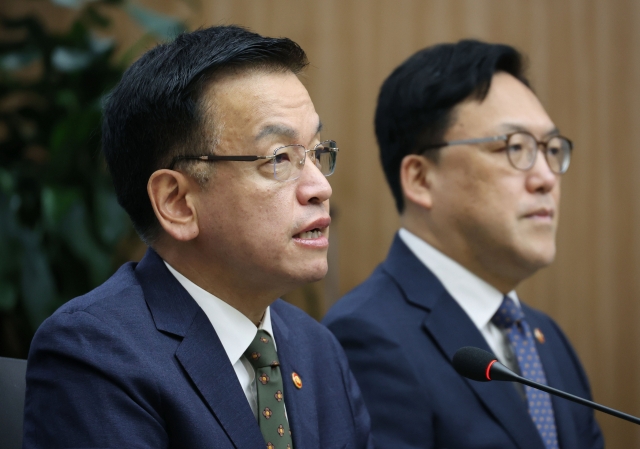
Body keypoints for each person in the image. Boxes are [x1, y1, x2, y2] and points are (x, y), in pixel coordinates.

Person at [23, 25, 372, 449]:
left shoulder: (318, 350)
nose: (320, 187)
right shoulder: (96, 353)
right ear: (177, 202)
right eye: (280, 158)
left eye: (317, 153)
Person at [323, 40, 604, 449]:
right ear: (420, 179)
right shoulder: (367, 337)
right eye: (515, 148)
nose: (546, 177)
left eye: (551, 149)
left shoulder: (547, 337)